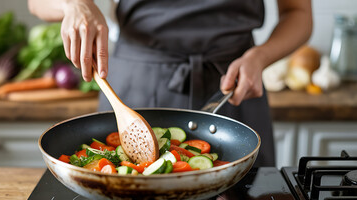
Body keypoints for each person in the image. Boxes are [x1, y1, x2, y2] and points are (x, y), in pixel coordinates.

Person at [28, 0, 313, 167]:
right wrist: (74, 3)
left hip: (234, 82)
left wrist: (261, 57)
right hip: (138, 83)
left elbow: (298, 13)